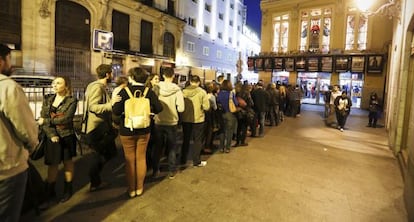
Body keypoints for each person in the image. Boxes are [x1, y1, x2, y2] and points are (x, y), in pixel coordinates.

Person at [0, 43, 38, 222]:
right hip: (8, 167)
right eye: (9, 59)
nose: (11, 64)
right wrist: (33, 145)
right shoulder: (8, 87)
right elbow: (26, 129)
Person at [112, 67, 162, 198]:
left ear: (131, 78)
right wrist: (150, 113)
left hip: (127, 129)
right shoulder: (149, 92)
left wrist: (115, 103)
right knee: (141, 157)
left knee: (130, 159)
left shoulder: (124, 92)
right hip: (144, 129)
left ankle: (131, 189)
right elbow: (159, 108)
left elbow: (116, 111)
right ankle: (140, 187)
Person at [38, 76, 78, 206]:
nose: (54, 85)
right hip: (51, 137)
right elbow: (42, 118)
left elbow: (66, 120)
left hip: (67, 136)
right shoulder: (48, 99)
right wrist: (52, 134)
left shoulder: (71, 100)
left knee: (67, 162)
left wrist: (47, 121)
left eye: (59, 83)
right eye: (54, 83)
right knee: (52, 164)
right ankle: (50, 193)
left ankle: (68, 188)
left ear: (66, 86)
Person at [84, 64, 119, 192]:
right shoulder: (97, 87)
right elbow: (93, 107)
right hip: (96, 128)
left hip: (100, 127)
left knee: (108, 153)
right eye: (111, 73)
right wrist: (112, 104)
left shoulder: (98, 86)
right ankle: (94, 180)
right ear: (107, 74)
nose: (113, 75)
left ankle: (95, 179)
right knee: (98, 155)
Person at [152, 68, 184, 179]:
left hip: (158, 121)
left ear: (163, 75)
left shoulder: (156, 87)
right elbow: (181, 108)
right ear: (173, 76)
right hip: (172, 122)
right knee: (172, 147)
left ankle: (155, 170)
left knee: (157, 147)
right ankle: (171, 171)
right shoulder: (177, 90)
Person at [180, 75, 210, 166]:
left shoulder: (183, 92)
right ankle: (196, 160)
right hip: (198, 119)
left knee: (186, 139)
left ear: (190, 81)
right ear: (198, 82)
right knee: (197, 140)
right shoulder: (202, 92)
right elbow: (207, 107)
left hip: (186, 119)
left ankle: (183, 159)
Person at [217, 80, 238, 153]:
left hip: (221, 114)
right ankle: (227, 148)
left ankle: (221, 147)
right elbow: (236, 103)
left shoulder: (219, 93)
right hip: (230, 114)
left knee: (222, 130)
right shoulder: (231, 94)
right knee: (229, 131)